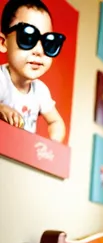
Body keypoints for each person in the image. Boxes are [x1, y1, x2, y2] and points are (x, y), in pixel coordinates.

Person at [0, 0, 66, 142]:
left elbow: (56, 122)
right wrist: (1, 108)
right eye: (28, 37)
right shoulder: (1, 79)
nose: (39, 51)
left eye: (49, 42)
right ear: (3, 42)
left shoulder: (40, 91)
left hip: (21, 155)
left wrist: (52, 144)